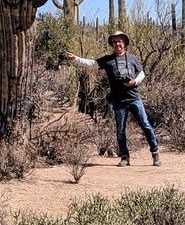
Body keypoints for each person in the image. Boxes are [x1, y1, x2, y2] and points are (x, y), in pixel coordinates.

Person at [66, 31, 161, 166]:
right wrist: (75, 59)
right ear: (112, 44)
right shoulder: (108, 60)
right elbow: (92, 63)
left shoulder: (132, 58)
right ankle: (124, 157)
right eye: (115, 42)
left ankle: (155, 153)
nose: (117, 44)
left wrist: (134, 82)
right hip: (118, 100)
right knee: (120, 130)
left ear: (124, 43)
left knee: (145, 125)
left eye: (120, 41)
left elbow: (141, 73)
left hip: (134, 98)